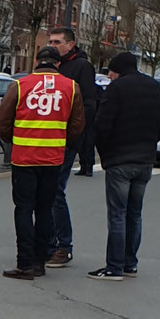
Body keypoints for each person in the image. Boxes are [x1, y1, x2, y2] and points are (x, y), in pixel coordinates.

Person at [0, 46, 84, 280]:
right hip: (52, 158)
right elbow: (76, 126)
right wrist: (59, 141)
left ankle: (24, 263)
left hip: (24, 158)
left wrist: (14, 140)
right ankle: (41, 261)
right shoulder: (71, 87)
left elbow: (2, 123)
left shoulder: (20, 86)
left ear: (37, 61)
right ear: (57, 63)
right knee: (45, 209)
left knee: (24, 209)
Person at [89, 51, 160, 281]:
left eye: (111, 72)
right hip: (145, 160)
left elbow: (102, 125)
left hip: (119, 160)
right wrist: (148, 146)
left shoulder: (117, 89)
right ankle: (129, 263)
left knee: (117, 214)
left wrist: (105, 153)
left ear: (118, 70)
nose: (110, 77)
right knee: (135, 214)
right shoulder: (156, 87)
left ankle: (113, 267)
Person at [45, 25, 97, 261]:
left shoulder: (81, 67)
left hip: (65, 140)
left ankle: (63, 246)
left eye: (57, 42)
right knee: (45, 192)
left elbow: (87, 105)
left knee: (56, 192)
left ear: (70, 45)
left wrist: (72, 136)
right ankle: (48, 242)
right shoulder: (51, 66)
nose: (52, 45)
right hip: (44, 138)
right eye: (50, 41)